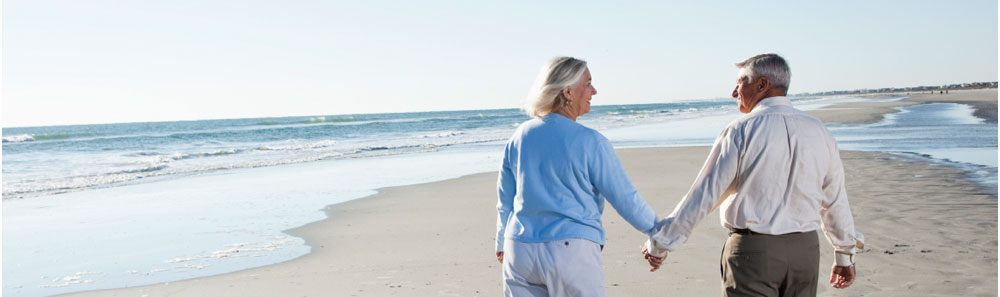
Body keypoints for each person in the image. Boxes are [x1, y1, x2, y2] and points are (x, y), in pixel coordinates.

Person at [640, 53, 864, 297]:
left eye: (740, 82)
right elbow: (834, 199)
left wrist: (660, 243)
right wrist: (844, 254)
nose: (734, 92)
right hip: (806, 253)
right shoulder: (819, 131)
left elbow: (705, 195)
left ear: (762, 85)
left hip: (753, 254)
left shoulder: (741, 129)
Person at [495, 56, 659, 297]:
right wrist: (659, 235)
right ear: (568, 91)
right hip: (571, 252)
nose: (594, 91)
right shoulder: (591, 141)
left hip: (519, 250)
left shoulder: (520, 136)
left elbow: (505, 199)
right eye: (588, 83)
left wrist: (501, 241)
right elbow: (625, 198)